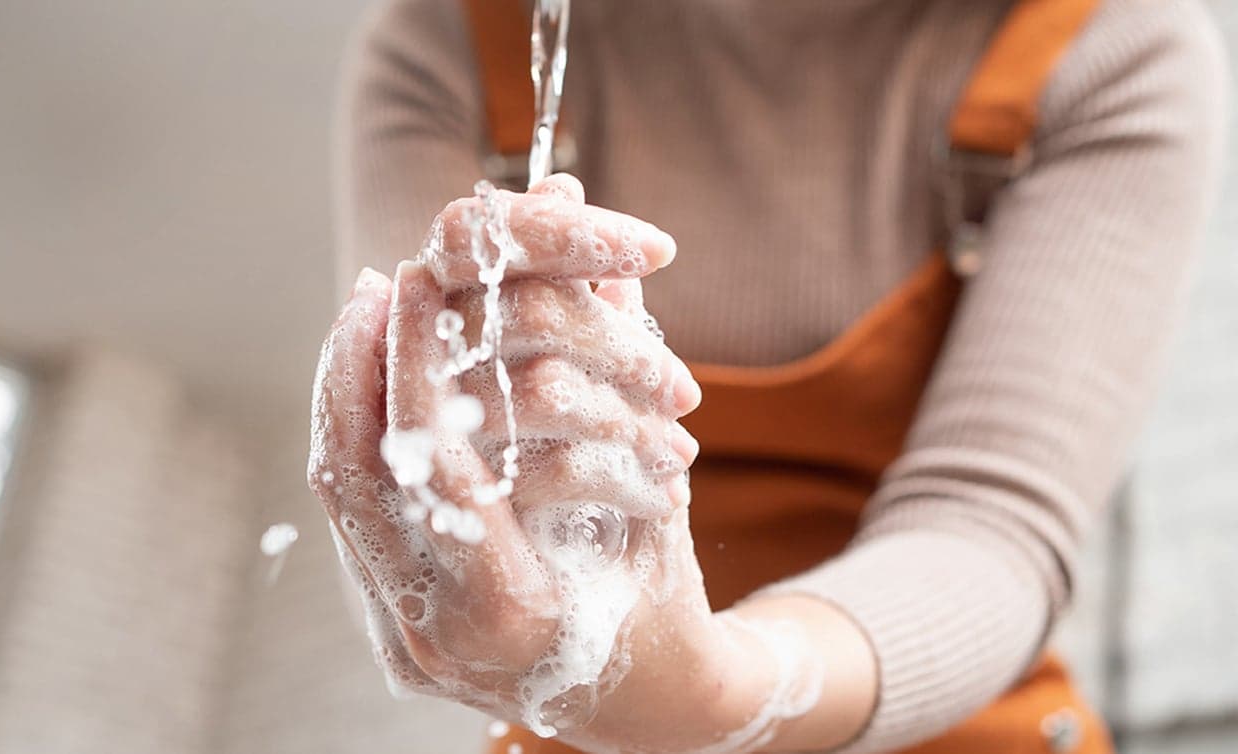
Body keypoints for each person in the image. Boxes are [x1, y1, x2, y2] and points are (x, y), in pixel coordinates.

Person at [309, 0, 1227, 752]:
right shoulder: (456, 43)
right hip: (587, 731)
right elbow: (415, 506)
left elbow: (993, 524)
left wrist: (713, 696)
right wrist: (450, 565)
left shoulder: (1108, 46)